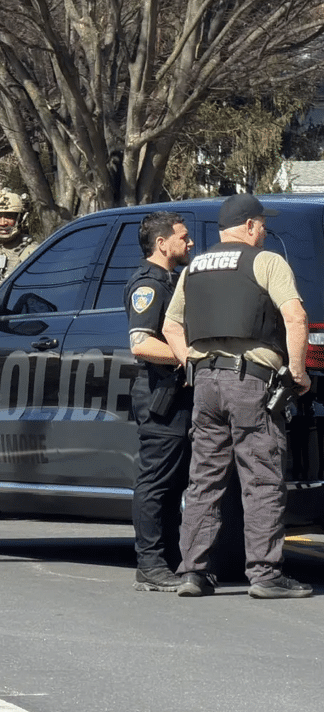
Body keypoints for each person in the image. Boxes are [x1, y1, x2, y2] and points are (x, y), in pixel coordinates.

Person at [162, 193, 313, 599]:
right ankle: (265, 575)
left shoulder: (193, 267)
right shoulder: (266, 261)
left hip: (206, 384)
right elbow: (295, 316)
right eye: (262, 224)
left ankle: (194, 571)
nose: (264, 230)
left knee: (203, 481)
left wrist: (191, 362)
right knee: (261, 479)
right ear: (248, 226)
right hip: (251, 383)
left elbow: (171, 326)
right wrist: (297, 373)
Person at [123, 211, 193, 592]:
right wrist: (188, 356)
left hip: (177, 394)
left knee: (174, 481)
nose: (190, 243)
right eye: (183, 237)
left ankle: (168, 559)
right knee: (155, 481)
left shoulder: (173, 279)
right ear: (162, 243)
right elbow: (142, 342)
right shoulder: (148, 284)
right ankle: (149, 564)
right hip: (159, 394)